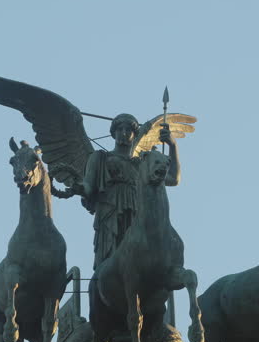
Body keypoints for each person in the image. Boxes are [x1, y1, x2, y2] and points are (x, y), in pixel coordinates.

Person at [75, 114, 180, 270]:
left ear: (134, 134)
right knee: (110, 257)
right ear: (113, 133)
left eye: (128, 130)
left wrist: (172, 146)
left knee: (141, 258)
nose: (123, 133)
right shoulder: (100, 157)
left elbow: (173, 178)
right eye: (119, 129)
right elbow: (89, 185)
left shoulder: (142, 164)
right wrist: (81, 188)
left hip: (137, 212)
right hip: (110, 212)